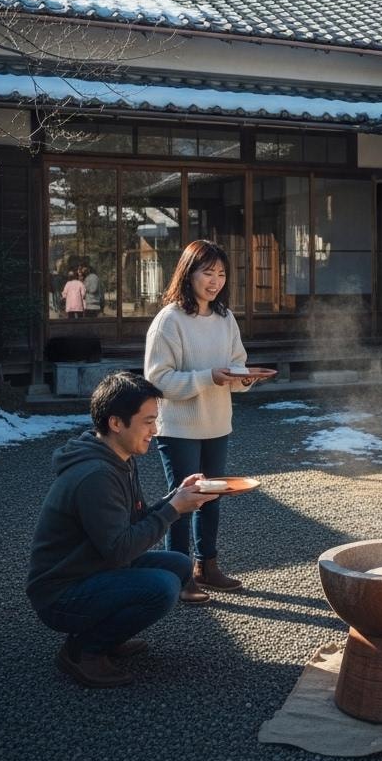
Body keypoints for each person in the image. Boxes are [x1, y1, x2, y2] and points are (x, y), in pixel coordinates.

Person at [26, 371, 216, 688]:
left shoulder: (118, 457)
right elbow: (120, 549)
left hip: (90, 568)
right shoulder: (95, 475)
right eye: (147, 421)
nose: (155, 430)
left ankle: (106, 636)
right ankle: (82, 651)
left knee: (180, 565)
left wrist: (176, 497)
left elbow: (133, 522)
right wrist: (174, 509)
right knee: (162, 587)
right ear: (116, 423)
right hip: (60, 593)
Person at [144, 239, 257, 602]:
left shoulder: (225, 318)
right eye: (207, 272)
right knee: (182, 499)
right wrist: (210, 376)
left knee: (213, 497)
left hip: (217, 423)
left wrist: (245, 378)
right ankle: (176, 575)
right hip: (179, 427)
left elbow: (236, 365)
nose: (215, 281)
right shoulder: (170, 320)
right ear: (188, 273)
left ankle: (206, 566)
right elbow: (157, 381)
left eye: (221, 273)